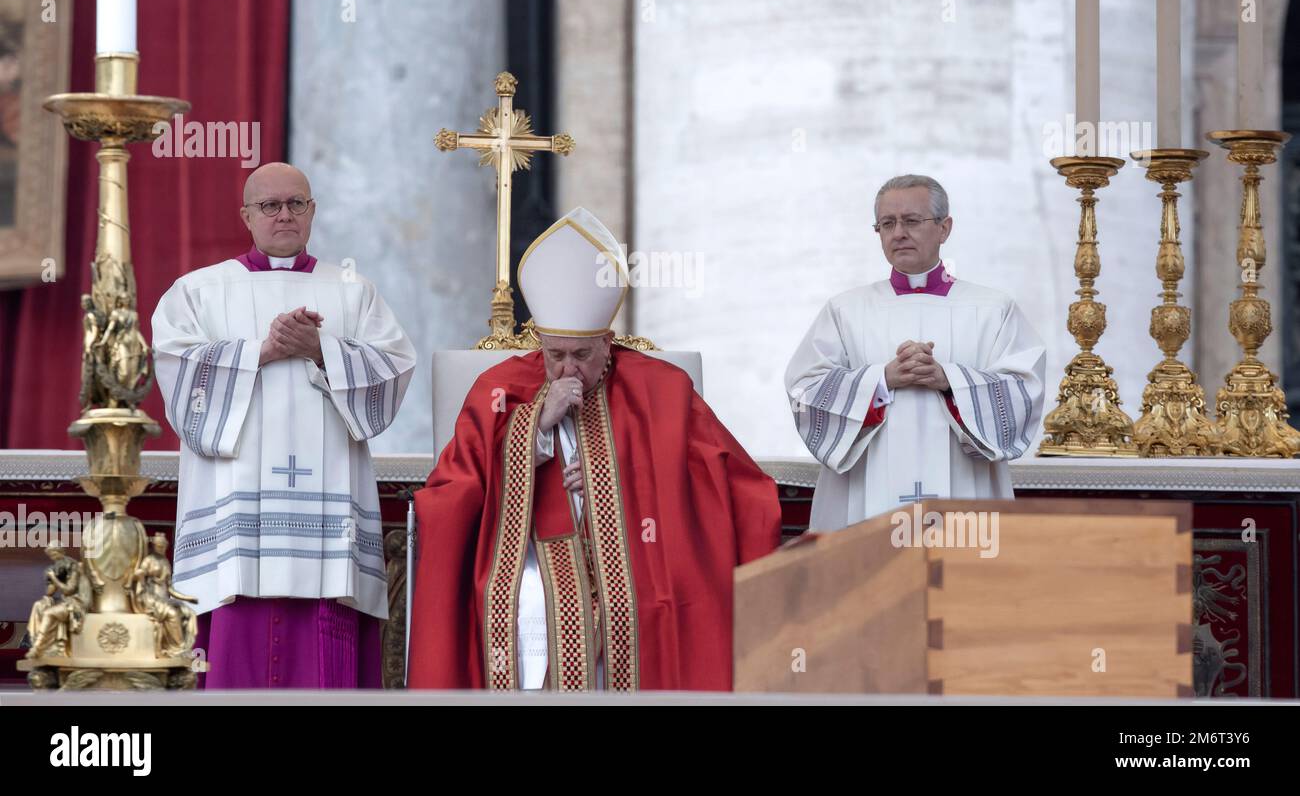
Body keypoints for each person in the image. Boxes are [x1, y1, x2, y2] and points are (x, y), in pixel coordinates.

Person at [408, 208, 781, 691]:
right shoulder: (498, 389)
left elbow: (731, 485)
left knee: (642, 602)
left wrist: (621, 483)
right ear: (539, 342)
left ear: (608, 342)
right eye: (555, 355)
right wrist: (532, 431)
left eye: (581, 355)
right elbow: (451, 490)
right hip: (528, 558)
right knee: (528, 601)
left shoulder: (661, 389)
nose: (568, 369)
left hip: (640, 553)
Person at [152, 162, 416, 688]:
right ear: (246, 216)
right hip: (236, 524)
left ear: (312, 211)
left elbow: (393, 368)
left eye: (296, 203)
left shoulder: (352, 290)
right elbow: (179, 372)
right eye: (270, 205)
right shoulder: (199, 290)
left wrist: (323, 350)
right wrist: (263, 351)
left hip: (328, 523)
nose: (284, 215)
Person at [785, 173, 1046, 530]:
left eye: (911, 221)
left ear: (944, 228)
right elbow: (805, 390)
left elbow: (1024, 392)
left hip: (965, 489)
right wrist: (881, 380)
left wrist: (949, 380)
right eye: (887, 223)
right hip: (865, 491)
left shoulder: (993, 309)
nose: (898, 233)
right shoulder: (845, 310)